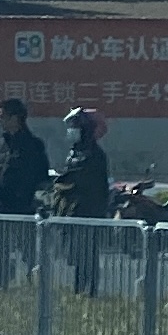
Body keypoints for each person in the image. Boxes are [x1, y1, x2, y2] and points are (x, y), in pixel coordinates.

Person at [51, 108, 112, 292]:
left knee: (88, 254)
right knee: (75, 254)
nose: (72, 130)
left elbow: (80, 180)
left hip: (88, 211)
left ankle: (90, 290)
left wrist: (63, 182)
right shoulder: (74, 152)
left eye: (75, 126)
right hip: (72, 211)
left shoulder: (94, 154)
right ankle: (78, 288)